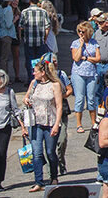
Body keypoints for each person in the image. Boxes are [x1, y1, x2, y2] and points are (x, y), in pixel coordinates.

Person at [24, 59, 63, 191]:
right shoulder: (34, 83)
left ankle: (53, 176)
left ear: (43, 72)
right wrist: (27, 100)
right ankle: (38, 181)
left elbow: (59, 106)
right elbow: (26, 97)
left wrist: (57, 124)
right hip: (36, 122)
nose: (33, 74)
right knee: (37, 153)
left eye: (35, 71)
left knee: (50, 152)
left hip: (50, 121)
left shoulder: (55, 85)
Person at [69, 21, 101, 133]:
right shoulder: (75, 43)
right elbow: (76, 58)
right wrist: (81, 45)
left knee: (91, 99)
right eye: (79, 31)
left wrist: (86, 58)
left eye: (83, 31)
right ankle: (79, 124)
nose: (80, 33)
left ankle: (94, 123)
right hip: (78, 73)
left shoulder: (94, 43)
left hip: (91, 73)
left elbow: (98, 58)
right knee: (79, 99)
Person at [20, 0, 51, 71]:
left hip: (28, 41)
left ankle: (31, 78)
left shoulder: (24, 12)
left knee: (29, 61)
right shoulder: (43, 12)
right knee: (40, 62)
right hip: (40, 41)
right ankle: (39, 78)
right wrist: (45, 38)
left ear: (30, 0)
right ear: (38, 1)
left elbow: (20, 27)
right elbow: (47, 27)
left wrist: (21, 37)